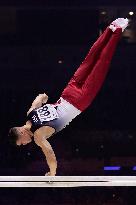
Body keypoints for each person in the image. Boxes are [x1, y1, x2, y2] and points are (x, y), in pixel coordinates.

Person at [9, 18, 128, 176]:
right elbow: (40, 97)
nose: (24, 144)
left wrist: (52, 173)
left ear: (22, 133)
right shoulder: (30, 113)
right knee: (90, 59)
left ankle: (118, 30)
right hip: (68, 92)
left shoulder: (38, 136)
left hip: (79, 101)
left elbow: (50, 154)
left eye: (21, 143)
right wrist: (45, 98)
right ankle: (111, 28)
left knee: (101, 64)